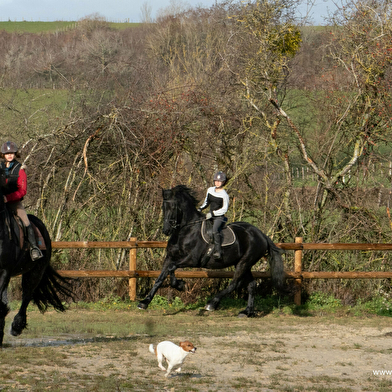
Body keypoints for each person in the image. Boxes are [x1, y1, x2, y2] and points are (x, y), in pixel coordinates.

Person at [0, 141, 43, 261]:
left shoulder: (20, 170)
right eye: (7, 153)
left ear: (15, 154)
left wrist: (7, 198)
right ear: (3, 154)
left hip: (14, 203)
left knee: (25, 221)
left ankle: (34, 248)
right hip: (0, 202)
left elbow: (22, 191)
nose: (9, 155)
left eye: (12, 153)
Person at [198, 171, 229, 259]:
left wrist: (213, 213)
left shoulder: (224, 195)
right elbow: (206, 202)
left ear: (223, 182)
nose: (217, 183)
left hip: (219, 217)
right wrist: (200, 209)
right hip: (209, 215)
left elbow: (224, 209)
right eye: (216, 181)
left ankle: (218, 251)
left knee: (215, 230)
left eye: (219, 181)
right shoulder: (210, 190)